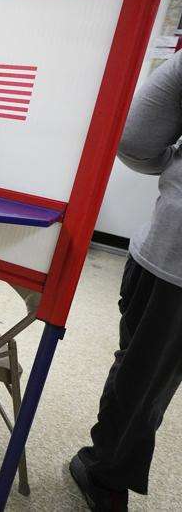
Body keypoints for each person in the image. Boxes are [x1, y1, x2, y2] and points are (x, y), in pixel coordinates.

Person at [70, 50, 182, 511]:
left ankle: (106, 473)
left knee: (143, 373)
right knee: (149, 373)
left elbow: (135, 140)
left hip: (172, 257)